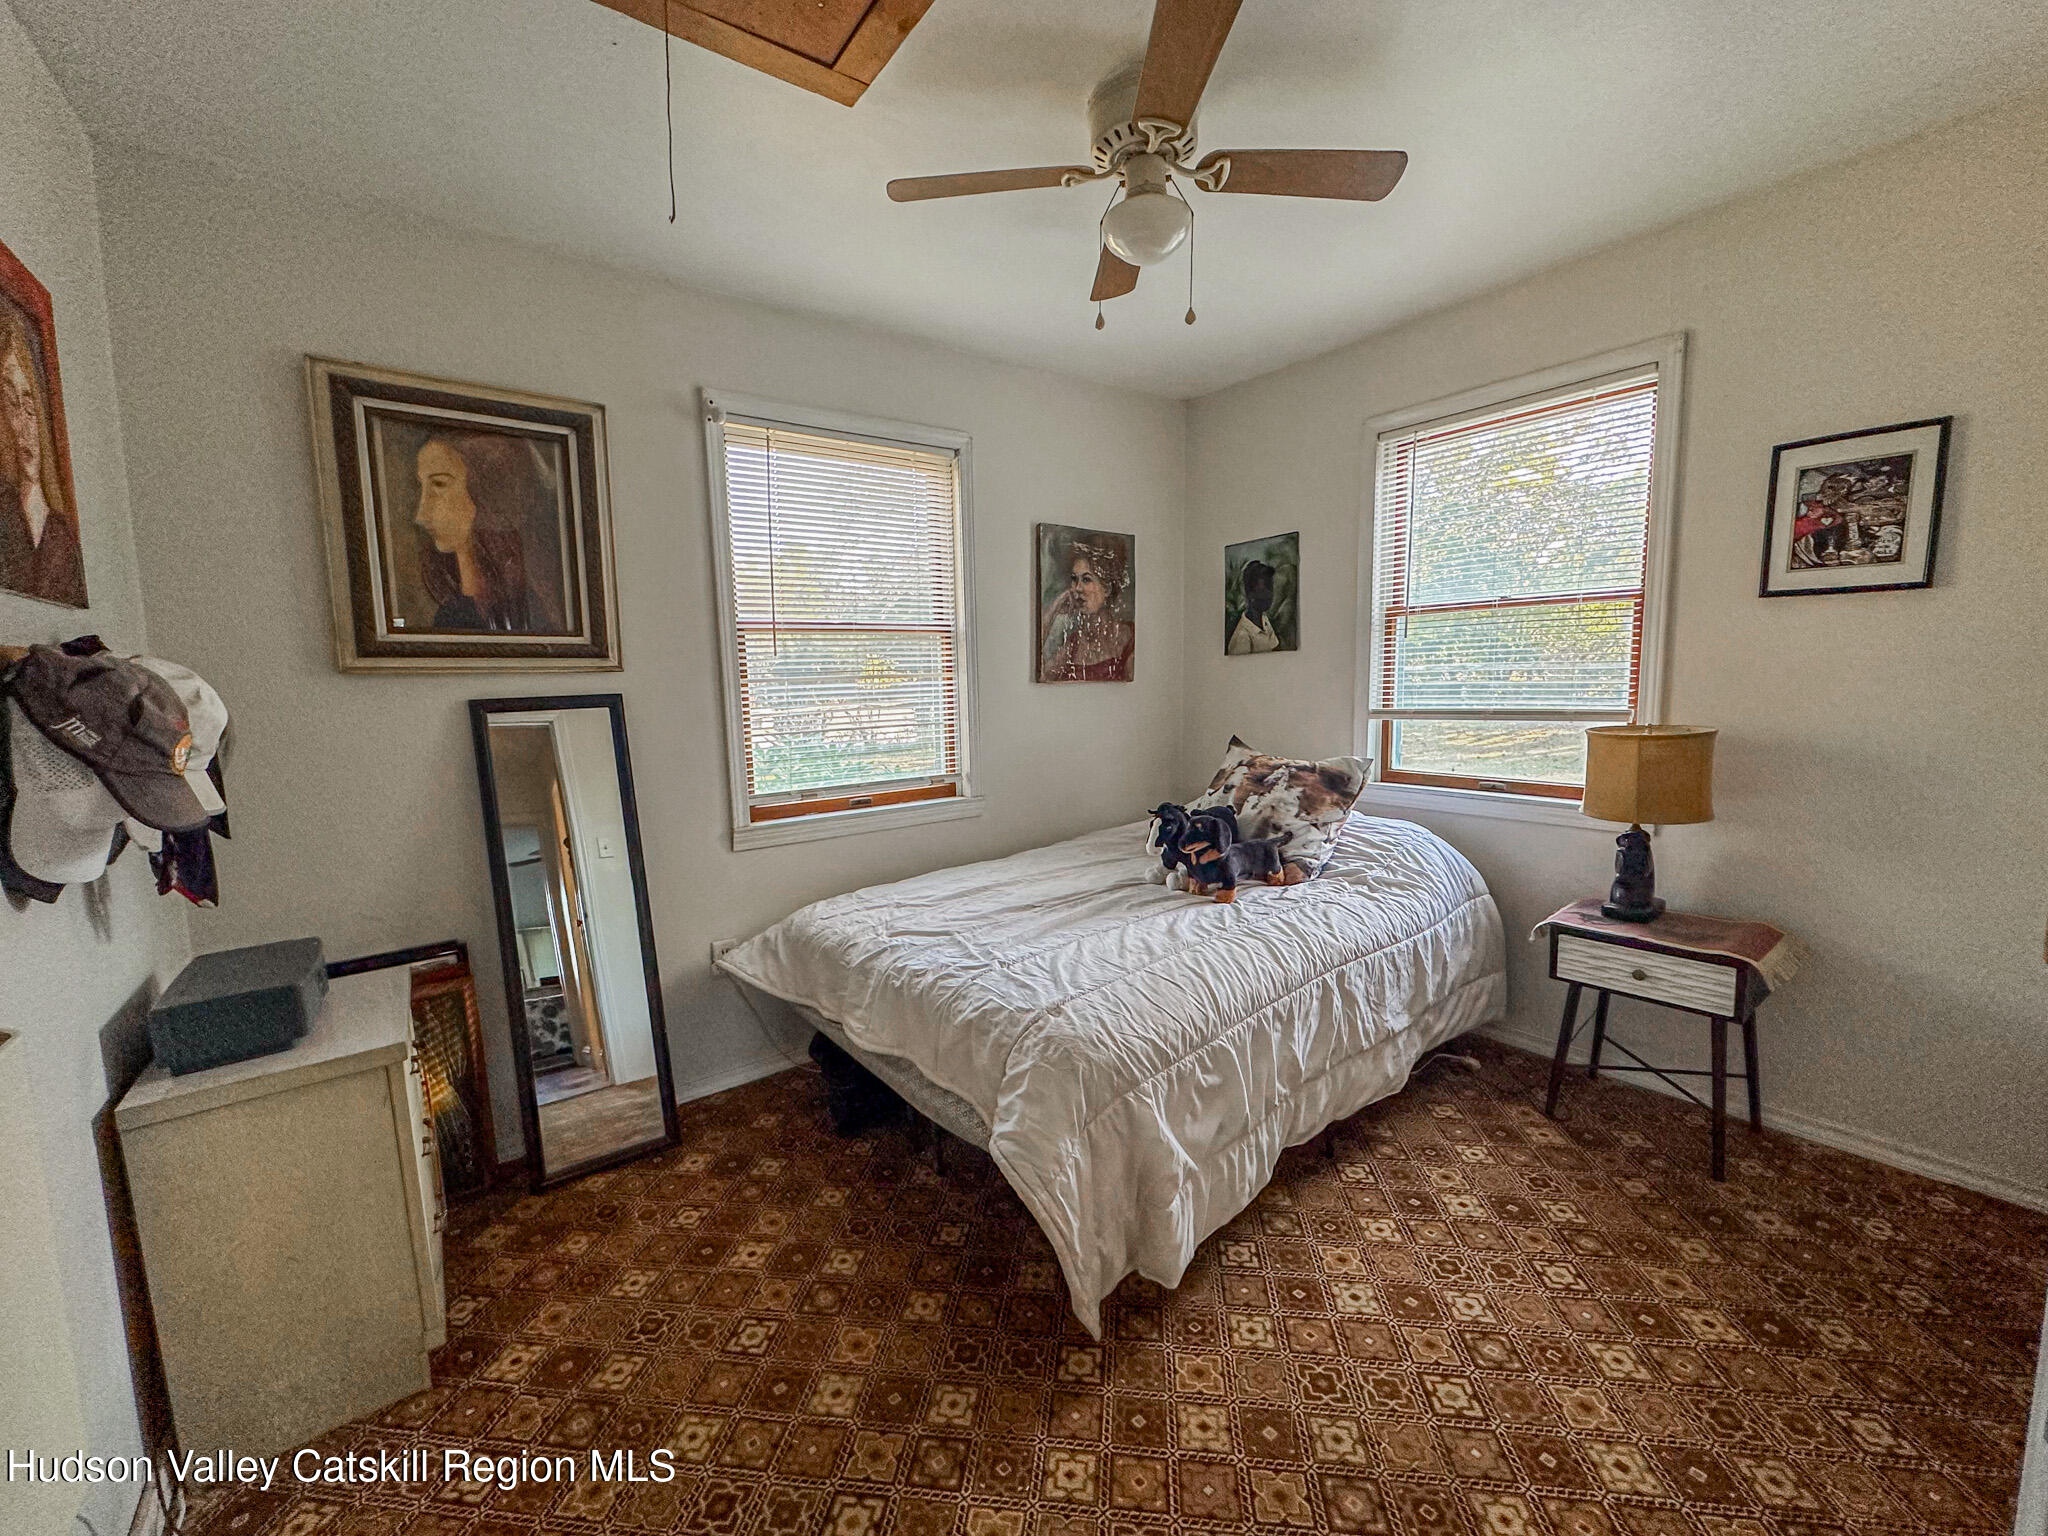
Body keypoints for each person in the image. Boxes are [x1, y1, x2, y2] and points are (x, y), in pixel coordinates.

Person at [411, 431, 566, 633]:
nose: (421, 515)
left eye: (439, 484)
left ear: (486, 489)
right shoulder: (450, 615)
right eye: (422, 486)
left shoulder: (530, 610)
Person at [0, 306, 86, 607]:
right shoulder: (4, 510)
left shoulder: (61, 533)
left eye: (28, 406)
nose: (19, 425)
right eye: (8, 403)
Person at [1039, 537, 1134, 682]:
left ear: (1107, 588)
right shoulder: (1074, 644)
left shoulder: (1128, 638)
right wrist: (1055, 608)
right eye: (1074, 579)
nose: (1077, 588)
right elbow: (1040, 675)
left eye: (1086, 579)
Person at [1226, 559, 1283, 654]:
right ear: (1250, 594)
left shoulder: (1264, 621)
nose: (1270, 595)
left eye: (1271, 589)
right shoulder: (1242, 637)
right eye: (1265, 589)